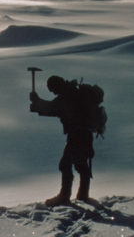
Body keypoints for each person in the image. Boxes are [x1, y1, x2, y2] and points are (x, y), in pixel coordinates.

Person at [30, 75, 95, 207]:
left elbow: (52, 108)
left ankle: (65, 196)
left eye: (52, 89)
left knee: (65, 164)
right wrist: (37, 103)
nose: (53, 92)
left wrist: (36, 102)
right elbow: (55, 108)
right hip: (83, 135)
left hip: (77, 135)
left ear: (57, 85)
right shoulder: (71, 92)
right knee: (80, 164)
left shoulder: (67, 96)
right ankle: (83, 195)